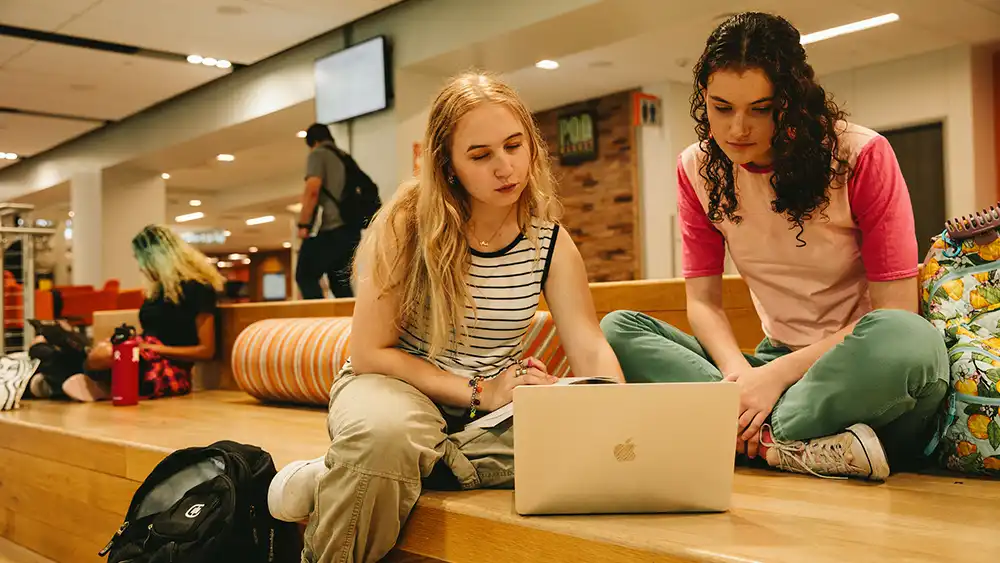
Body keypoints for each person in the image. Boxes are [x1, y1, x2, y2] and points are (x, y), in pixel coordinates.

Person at [268, 72, 624, 562]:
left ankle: (354, 470)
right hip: (397, 387)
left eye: (514, 146)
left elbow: (588, 344)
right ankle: (373, 462)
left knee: (587, 435)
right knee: (386, 436)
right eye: (480, 156)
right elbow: (369, 353)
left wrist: (619, 416)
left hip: (490, 413)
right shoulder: (407, 225)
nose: (506, 167)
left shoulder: (550, 242)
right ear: (448, 165)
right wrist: (482, 391)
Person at [601, 12, 949, 481]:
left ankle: (746, 435)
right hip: (770, 362)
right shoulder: (696, 170)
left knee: (913, 341)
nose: (737, 129)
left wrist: (774, 379)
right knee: (618, 330)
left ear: (790, 101)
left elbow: (897, 312)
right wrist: (739, 380)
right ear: (704, 98)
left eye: (760, 109)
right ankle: (789, 442)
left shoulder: (860, 155)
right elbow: (703, 304)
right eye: (722, 108)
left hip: (855, 368)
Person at [30, 224, 224, 401]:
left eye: (141, 260)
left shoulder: (199, 288)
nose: (140, 267)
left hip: (167, 368)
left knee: (101, 355)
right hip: (142, 355)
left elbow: (206, 351)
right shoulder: (157, 292)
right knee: (43, 345)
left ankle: (62, 382)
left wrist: (154, 348)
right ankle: (75, 383)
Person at [295, 123, 365, 299]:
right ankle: (348, 316)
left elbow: (312, 190)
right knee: (339, 283)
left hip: (333, 229)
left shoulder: (318, 154)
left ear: (313, 142)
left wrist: (303, 224)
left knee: (305, 274)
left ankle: (318, 315)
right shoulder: (344, 157)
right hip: (351, 231)